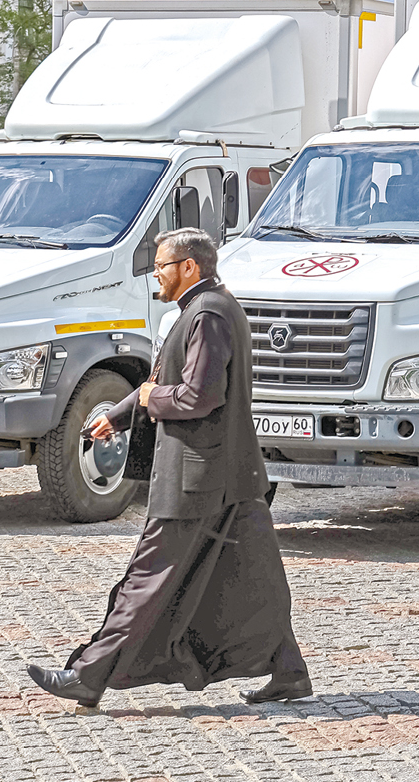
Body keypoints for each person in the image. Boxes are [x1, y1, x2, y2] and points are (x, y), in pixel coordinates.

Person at [26, 227, 311, 708]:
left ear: (189, 267)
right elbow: (165, 381)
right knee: (254, 576)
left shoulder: (209, 314)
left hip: (198, 479)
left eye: (161, 265)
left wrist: (145, 397)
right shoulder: (205, 308)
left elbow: (198, 396)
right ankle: (289, 672)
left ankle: (88, 676)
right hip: (232, 475)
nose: (154, 273)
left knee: (147, 576)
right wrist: (117, 416)